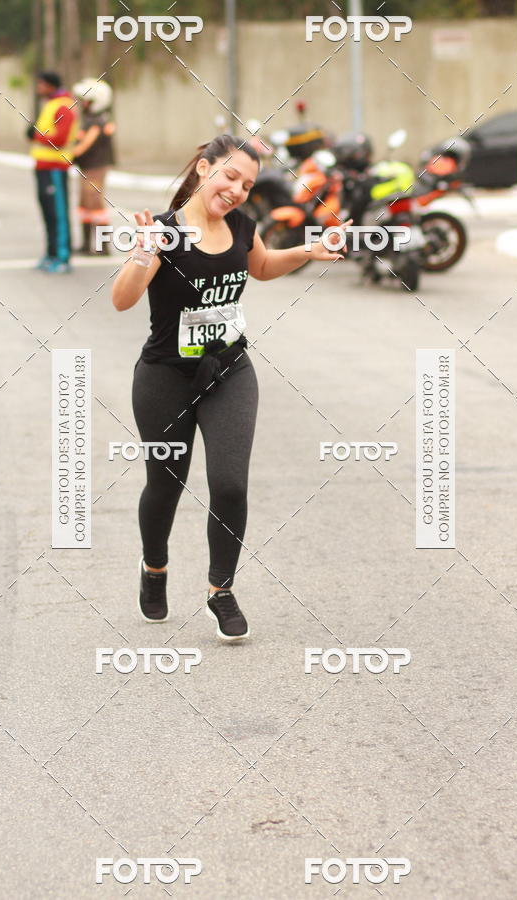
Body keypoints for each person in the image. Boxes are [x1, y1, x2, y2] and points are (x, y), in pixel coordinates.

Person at [111, 134, 350, 642]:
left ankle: (220, 590)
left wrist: (311, 249)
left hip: (228, 371)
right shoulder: (166, 232)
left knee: (230, 483)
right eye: (230, 176)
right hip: (165, 377)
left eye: (247, 183)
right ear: (203, 169)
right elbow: (122, 300)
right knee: (165, 482)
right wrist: (141, 253)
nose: (238, 189)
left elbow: (260, 268)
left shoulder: (243, 225)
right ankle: (155, 569)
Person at [26, 71, 78, 273]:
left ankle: (63, 257)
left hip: (56, 168)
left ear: (50, 86)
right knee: (48, 213)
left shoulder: (63, 106)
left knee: (58, 214)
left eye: (41, 84)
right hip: (43, 168)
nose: (38, 88)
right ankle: (50, 254)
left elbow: (60, 139)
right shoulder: (51, 104)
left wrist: (36, 136)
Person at [71, 78, 116, 255]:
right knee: (85, 204)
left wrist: (68, 155)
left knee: (95, 204)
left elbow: (85, 144)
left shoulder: (98, 121)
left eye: (86, 100)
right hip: (87, 168)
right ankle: (85, 244)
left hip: (96, 168)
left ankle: (103, 247)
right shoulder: (91, 119)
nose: (83, 104)